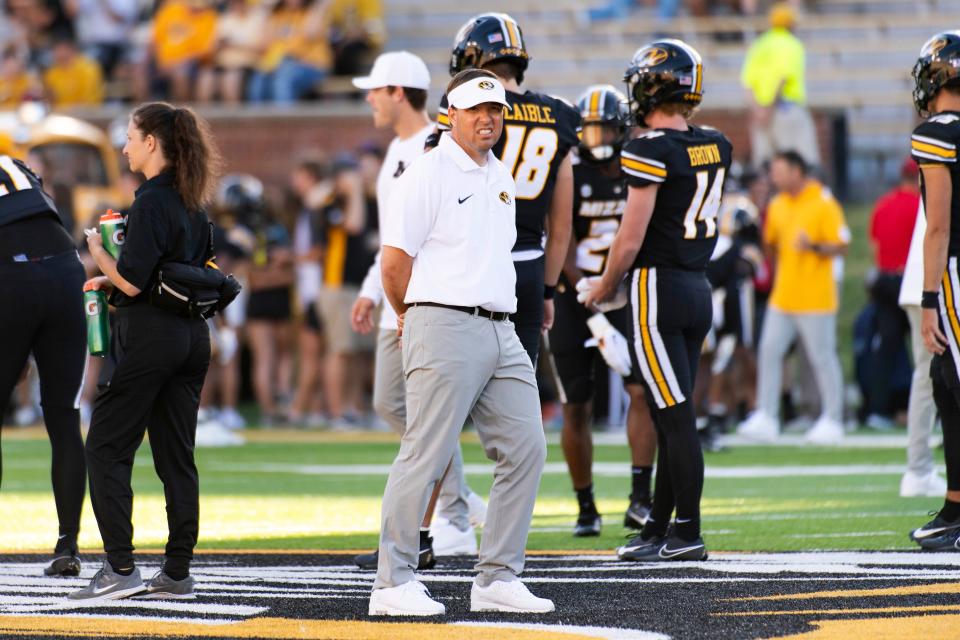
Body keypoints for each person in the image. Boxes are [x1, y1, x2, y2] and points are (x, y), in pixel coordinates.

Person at [370, 69, 552, 616]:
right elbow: (394, 262)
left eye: (495, 108)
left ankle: (497, 576)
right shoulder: (428, 172)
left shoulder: (502, 175)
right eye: (475, 109)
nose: (488, 118)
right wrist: (413, 316)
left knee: (527, 448)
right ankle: (392, 583)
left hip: (501, 328)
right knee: (425, 452)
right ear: (451, 113)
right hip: (443, 322)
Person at [582, 39, 732, 562]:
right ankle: (659, 531)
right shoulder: (716, 142)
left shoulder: (647, 149)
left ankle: (687, 531)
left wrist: (603, 287)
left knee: (674, 415)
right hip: (697, 288)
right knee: (676, 412)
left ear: (652, 87)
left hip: (656, 291)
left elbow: (629, 237)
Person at [70, 102, 221, 601]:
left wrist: (99, 254)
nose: (125, 147)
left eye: (131, 138)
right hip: (192, 337)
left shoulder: (152, 201)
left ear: (152, 142)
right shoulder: (193, 200)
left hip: (151, 339)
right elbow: (170, 274)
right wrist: (108, 278)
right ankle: (177, 573)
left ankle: (119, 568)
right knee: (177, 459)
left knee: (106, 446)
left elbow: (133, 283)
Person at [348, 51, 474, 567]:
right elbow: (392, 236)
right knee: (399, 407)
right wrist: (370, 288)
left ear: (398, 92)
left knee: (418, 413)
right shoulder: (399, 148)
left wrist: (392, 294)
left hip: (420, 298)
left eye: (376, 89)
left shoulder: (431, 145)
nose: (370, 98)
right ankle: (457, 505)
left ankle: (453, 515)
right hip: (397, 293)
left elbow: (424, 232)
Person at [548, 84, 657, 537]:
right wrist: (589, 299)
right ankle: (586, 505)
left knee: (640, 392)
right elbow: (560, 239)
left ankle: (639, 498)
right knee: (576, 405)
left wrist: (616, 290)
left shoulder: (639, 166)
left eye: (605, 128)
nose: (598, 138)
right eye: (590, 129)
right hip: (576, 296)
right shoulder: (568, 170)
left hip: (625, 292)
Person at [0, 155, 86, 577]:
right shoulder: (12, 163)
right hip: (67, 272)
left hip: (9, 278)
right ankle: (68, 545)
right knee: (64, 418)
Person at [736, 151, 849, 445]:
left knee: (822, 358)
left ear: (797, 171)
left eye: (779, 170)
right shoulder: (777, 204)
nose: (774, 177)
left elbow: (841, 245)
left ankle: (834, 418)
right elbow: (771, 246)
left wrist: (812, 246)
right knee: (769, 351)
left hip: (816, 296)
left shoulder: (823, 202)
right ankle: (767, 416)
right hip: (783, 295)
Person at [907, 32, 960, 550]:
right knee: (946, 385)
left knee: (955, 382)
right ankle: (954, 507)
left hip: (957, 273)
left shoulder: (938, 132)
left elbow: (938, 227)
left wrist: (928, 301)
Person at [865, 158, 920, 428]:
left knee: (887, 348)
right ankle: (927, 411)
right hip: (910, 280)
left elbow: (875, 244)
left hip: (885, 281)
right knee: (925, 349)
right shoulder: (922, 207)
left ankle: (878, 409)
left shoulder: (883, 204)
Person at [899, 205, 947, 497]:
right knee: (930, 377)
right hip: (937, 281)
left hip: (925, 278)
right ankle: (918, 469)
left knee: (926, 378)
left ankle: (918, 468)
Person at [740, 2, 819, 170]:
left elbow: (748, 84)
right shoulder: (792, 44)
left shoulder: (759, 44)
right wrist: (769, 109)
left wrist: (758, 111)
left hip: (760, 113)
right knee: (799, 164)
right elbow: (783, 78)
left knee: (765, 166)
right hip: (786, 109)